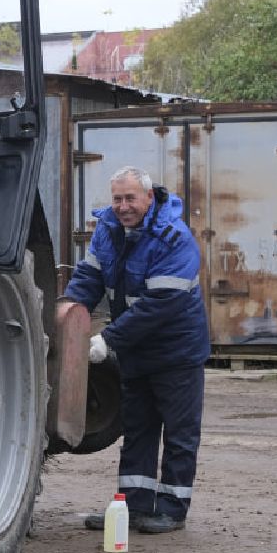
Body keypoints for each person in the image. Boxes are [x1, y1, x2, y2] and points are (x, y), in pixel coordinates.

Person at [61, 166, 210, 534]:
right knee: (138, 430)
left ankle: (172, 510)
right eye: (117, 199)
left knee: (179, 433)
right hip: (137, 352)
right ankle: (132, 508)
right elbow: (89, 279)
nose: (123, 206)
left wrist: (108, 340)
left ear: (148, 197)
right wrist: (66, 318)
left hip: (176, 352)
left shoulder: (174, 237)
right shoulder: (108, 231)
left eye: (130, 198)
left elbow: (161, 303)